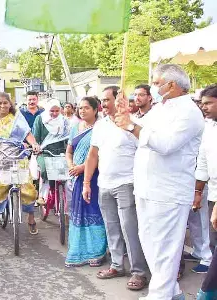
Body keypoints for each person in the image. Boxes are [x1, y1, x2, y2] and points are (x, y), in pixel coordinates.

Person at [114, 64, 205, 300]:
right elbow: (140, 134)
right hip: (146, 187)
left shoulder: (189, 112)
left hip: (169, 191)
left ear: (172, 85)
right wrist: (127, 116)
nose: (154, 87)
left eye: (156, 83)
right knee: (152, 247)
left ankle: (160, 295)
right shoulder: (159, 108)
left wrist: (131, 125)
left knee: (165, 250)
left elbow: (165, 145)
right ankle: (172, 293)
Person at [82, 86, 148, 290]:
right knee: (112, 228)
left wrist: (129, 125)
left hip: (127, 183)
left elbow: (148, 152)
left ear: (119, 100)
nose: (103, 104)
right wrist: (87, 182)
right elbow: (93, 155)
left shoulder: (135, 125)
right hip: (104, 184)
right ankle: (117, 265)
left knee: (130, 229)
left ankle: (139, 272)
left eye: (108, 100)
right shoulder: (100, 126)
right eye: (102, 100)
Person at [0, 92, 41, 234]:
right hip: (0, 154)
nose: (2, 105)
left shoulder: (17, 117)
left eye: (5, 102)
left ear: (10, 103)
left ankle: (31, 218)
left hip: (18, 153)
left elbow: (28, 134)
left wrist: (34, 144)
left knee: (28, 187)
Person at [65, 96, 106, 267]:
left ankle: (98, 251)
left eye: (86, 108)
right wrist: (72, 166)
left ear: (96, 110)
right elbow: (69, 151)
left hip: (94, 176)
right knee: (79, 214)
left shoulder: (102, 128)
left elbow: (101, 155)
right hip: (77, 178)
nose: (82, 111)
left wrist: (83, 168)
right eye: (80, 108)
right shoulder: (76, 128)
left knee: (94, 213)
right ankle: (78, 250)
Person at [194, 84, 217, 299]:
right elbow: (202, 162)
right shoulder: (208, 127)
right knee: (213, 244)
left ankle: (207, 292)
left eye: (209, 103)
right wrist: (198, 191)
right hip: (213, 196)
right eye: (202, 104)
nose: (204, 108)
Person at [32, 99, 70, 205]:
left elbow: (68, 138)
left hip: (61, 152)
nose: (54, 113)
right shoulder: (40, 119)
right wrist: (37, 147)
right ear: (47, 110)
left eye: (57, 111)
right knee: (44, 170)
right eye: (51, 111)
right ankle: (42, 195)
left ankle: (64, 200)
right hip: (44, 151)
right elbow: (36, 137)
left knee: (66, 175)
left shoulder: (64, 121)